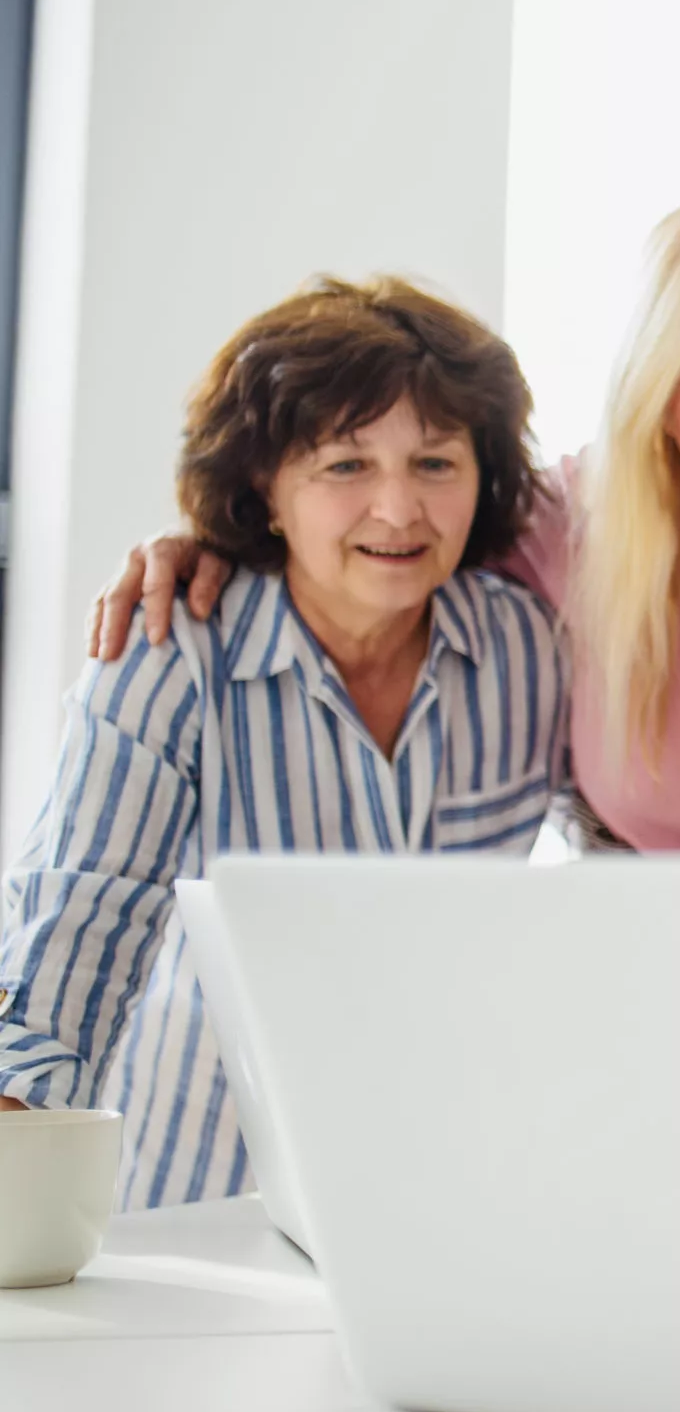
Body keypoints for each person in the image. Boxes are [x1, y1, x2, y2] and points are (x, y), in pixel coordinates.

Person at [91, 202, 680, 849]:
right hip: (615, 996)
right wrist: (216, 540)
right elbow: (385, 530)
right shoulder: (577, 524)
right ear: (654, 395)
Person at [0, 277, 569, 1208]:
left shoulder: (529, 648)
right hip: (202, 1203)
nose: (399, 510)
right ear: (265, 489)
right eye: (345, 466)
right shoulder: (170, 655)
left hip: (448, 1198)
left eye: (435, 463)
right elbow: (76, 927)